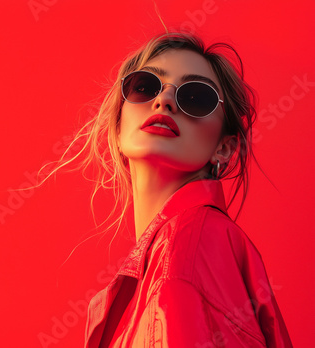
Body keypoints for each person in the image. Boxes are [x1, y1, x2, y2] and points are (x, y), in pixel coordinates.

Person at [39, 32, 293, 347]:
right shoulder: (175, 249)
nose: (164, 101)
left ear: (225, 148)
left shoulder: (187, 245)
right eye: (144, 87)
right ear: (117, 128)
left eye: (196, 97)